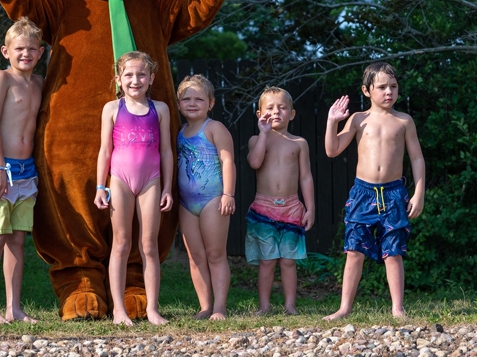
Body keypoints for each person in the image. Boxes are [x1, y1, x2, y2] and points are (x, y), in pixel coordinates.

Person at [322, 62, 426, 320]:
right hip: (363, 193)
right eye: (381, 87)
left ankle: (397, 309)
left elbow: (417, 159)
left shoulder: (404, 121)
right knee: (354, 251)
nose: (388, 92)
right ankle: (344, 308)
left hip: (393, 194)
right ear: (366, 91)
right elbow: (332, 150)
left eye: (393, 86)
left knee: (394, 252)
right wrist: (331, 122)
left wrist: (419, 192)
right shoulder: (358, 119)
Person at [94, 51, 174, 326]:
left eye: (141, 74)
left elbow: (166, 151)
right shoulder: (112, 109)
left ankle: (152, 309)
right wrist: (99, 187)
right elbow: (105, 151)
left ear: (151, 78)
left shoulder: (160, 109)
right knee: (121, 243)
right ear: (118, 78)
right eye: (128, 74)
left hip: (151, 181)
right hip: (119, 180)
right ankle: (119, 310)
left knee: (149, 246)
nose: (135, 80)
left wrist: (167, 188)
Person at [0, 17, 46, 324]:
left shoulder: (40, 83)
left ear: (41, 52)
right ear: (6, 51)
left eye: (32, 49)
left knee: (17, 240)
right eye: (19, 48)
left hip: (26, 170)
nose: (25, 54)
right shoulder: (1, 79)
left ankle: (14, 308)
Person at [245, 86, 314, 315]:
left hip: (292, 207)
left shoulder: (299, 143)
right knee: (267, 261)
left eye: (282, 108)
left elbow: (305, 177)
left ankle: (290, 305)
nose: (276, 112)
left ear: (292, 114)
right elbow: (254, 162)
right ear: (259, 114)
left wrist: (310, 207)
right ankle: (264, 306)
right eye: (270, 108)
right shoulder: (256, 139)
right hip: (263, 207)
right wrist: (263, 134)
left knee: (288, 261)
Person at [176, 74, 237, 320]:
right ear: (179, 103)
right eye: (186, 98)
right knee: (195, 255)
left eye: (199, 99)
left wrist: (228, 194)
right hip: (186, 203)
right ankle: (205, 306)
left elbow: (228, 160)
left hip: (213, 199)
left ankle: (220, 307)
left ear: (210, 103)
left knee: (215, 254)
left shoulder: (214, 128)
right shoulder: (180, 131)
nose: (192, 103)